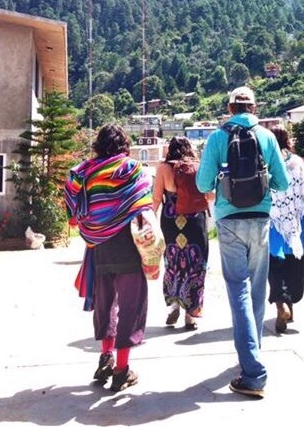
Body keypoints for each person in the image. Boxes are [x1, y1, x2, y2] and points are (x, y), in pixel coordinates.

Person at [196, 86, 289, 399]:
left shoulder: (217, 138)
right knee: (257, 289)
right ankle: (253, 354)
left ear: (230, 108)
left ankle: (253, 372)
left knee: (238, 291)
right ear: (254, 107)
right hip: (260, 219)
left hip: (229, 221)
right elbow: (283, 183)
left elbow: (203, 183)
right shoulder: (267, 137)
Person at [64, 123, 153, 393]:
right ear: (124, 144)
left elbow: (72, 204)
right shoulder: (132, 168)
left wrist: (88, 220)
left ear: (99, 145)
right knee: (130, 307)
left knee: (106, 306)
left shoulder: (87, 172)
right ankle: (122, 371)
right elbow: (144, 205)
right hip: (128, 247)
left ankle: (105, 359)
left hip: (99, 248)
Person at [152, 136, 211, 331]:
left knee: (172, 263)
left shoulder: (163, 167)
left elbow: (156, 198)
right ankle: (190, 316)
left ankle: (174, 306)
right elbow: (210, 194)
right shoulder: (198, 166)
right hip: (195, 220)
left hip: (171, 220)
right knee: (196, 265)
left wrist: (149, 221)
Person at [267, 125, 304, 333]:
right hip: (298, 221)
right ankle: (290, 303)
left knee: (275, 263)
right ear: (287, 140)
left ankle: (282, 303)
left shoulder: (265, 162)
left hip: (273, 222)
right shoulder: (297, 162)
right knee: (296, 263)